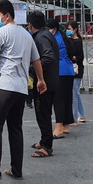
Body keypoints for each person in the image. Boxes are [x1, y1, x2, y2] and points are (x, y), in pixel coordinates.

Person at [0, 0, 46, 184]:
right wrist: (40, 80)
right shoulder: (27, 35)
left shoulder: (1, 32)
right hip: (20, 89)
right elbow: (36, 59)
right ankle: (16, 169)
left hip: (5, 85)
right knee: (15, 128)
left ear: (6, 15)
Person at [27, 11, 59, 158]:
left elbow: (48, 58)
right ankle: (44, 140)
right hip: (49, 81)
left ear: (30, 25)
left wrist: (33, 70)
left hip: (44, 83)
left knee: (43, 114)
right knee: (43, 113)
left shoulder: (41, 37)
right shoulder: (45, 34)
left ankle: (47, 146)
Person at [46, 19, 74, 138]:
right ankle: (66, 125)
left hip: (59, 71)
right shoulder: (62, 36)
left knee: (58, 100)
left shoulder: (54, 39)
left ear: (54, 28)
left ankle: (58, 127)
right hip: (68, 71)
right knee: (67, 99)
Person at [67, 20, 86, 123]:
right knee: (76, 93)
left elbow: (79, 57)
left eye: (69, 29)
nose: (68, 31)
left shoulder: (78, 41)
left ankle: (74, 118)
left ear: (74, 30)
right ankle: (82, 115)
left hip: (76, 70)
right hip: (70, 69)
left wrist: (72, 57)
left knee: (74, 94)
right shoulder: (68, 40)